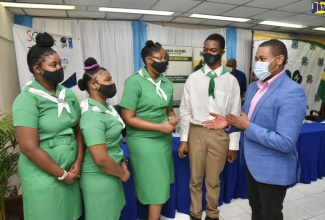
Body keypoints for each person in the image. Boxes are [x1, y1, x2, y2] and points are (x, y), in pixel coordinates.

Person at [203, 39, 307, 220]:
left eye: (262, 58)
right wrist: (228, 124)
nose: (257, 63)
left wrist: (248, 126)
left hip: (273, 167)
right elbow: (245, 120)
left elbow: (286, 142)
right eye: (256, 58)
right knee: (256, 210)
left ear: (279, 59)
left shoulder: (292, 91)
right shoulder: (253, 88)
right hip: (251, 164)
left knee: (270, 214)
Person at [12, 32, 83, 220]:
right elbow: (28, 148)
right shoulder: (27, 99)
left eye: (60, 64)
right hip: (44, 174)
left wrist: (78, 162)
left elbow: (78, 131)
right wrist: (61, 174)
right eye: (53, 65)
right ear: (37, 69)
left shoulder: (67, 95)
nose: (59, 68)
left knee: (70, 215)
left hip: (71, 169)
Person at [178, 33, 241, 220]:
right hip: (196, 132)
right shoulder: (193, 78)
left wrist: (233, 145)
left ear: (222, 52)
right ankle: (195, 214)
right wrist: (183, 139)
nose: (208, 54)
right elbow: (185, 109)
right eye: (205, 51)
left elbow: (235, 114)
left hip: (220, 134)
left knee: (213, 180)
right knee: (195, 179)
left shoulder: (231, 81)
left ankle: (212, 214)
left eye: (213, 50)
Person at [120, 40, 180, 220]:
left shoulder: (166, 83)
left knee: (160, 181)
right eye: (160, 58)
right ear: (148, 60)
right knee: (155, 184)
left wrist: (171, 119)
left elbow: (168, 109)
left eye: (166, 58)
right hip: (143, 139)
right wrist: (160, 127)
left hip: (163, 139)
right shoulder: (134, 82)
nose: (165, 61)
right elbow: (128, 118)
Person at [78, 57, 130, 219]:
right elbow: (100, 158)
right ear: (93, 84)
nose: (112, 83)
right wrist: (122, 174)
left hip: (111, 171)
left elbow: (113, 142)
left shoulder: (107, 108)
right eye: (107, 80)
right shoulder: (92, 116)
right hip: (98, 177)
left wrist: (122, 162)